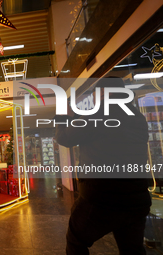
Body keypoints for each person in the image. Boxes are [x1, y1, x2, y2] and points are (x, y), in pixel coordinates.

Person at [54, 77, 151, 254]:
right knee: (133, 250)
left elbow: (65, 138)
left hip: (102, 198)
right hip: (137, 199)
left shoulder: (100, 114)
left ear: (103, 93)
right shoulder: (137, 117)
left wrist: (62, 116)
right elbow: (94, 130)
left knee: (76, 240)